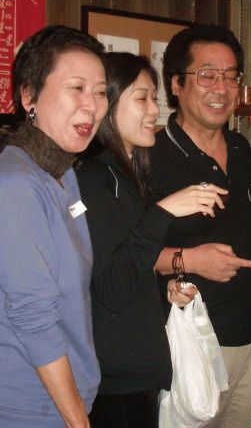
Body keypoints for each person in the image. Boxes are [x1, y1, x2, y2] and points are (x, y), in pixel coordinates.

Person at [0, 25, 108, 427]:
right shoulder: (14, 186)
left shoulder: (61, 173)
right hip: (15, 408)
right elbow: (33, 316)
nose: (92, 105)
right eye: (76, 88)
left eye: (101, 92)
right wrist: (78, 420)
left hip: (50, 401)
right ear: (29, 96)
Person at [76, 52, 226, 427]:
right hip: (113, 378)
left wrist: (166, 288)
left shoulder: (131, 176)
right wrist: (164, 211)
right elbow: (110, 289)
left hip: (140, 368)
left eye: (154, 99)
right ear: (107, 104)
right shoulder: (93, 179)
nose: (154, 110)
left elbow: (132, 266)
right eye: (141, 98)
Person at [149, 24, 251, 428]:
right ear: (176, 83)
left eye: (231, 76)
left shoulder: (241, 148)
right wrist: (192, 261)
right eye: (207, 75)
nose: (222, 88)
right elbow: (123, 252)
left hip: (249, 333)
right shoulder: (152, 157)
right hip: (188, 340)